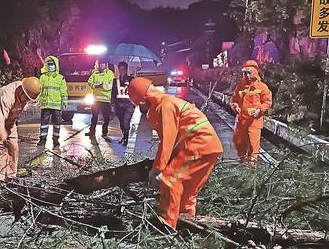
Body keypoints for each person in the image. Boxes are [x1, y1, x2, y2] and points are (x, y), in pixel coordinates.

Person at [127, 77, 223, 229]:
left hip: (197, 145)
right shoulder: (167, 103)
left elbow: (167, 141)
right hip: (207, 146)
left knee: (170, 181)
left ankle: (166, 228)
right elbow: (173, 142)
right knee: (187, 192)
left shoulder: (165, 106)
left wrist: (157, 169)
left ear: (141, 101)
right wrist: (163, 164)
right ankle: (187, 227)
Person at [0, 77, 42, 181]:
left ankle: (11, 176)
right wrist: (3, 137)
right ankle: (1, 179)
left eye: (29, 99)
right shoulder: (7, 96)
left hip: (9, 119)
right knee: (1, 149)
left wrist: (9, 132)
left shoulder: (26, 94)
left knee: (14, 147)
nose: (27, 101)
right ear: (21, 91)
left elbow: (15, 113)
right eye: (27, 98)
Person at [230, 60, 272, 167]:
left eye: (249, 73)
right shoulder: (240, 86)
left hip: (254, 121)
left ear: (254, 72)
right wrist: (236, 106)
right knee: (239, 142)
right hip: (241, 121)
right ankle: (243, 163)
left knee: (253, 145)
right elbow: (234, 100)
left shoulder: (262, 87)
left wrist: (260, 110)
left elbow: (267, 102)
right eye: (245, 73)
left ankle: (252, 167)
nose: (247, 75)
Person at [38, 55, 68, 148]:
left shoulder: (60, 78)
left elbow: (63, 91)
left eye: (52, 64)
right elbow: (39, 90)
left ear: (56, 66)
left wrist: (64, 102)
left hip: (56, 106)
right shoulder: (42, 77)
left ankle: (56, 141)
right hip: (45, 105)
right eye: (49, 64)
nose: (51, 66)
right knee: (44, 124)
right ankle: (42, 140)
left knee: (57, 125)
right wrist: (38, 99)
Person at [86, 59, 114, 141]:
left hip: (106, 100)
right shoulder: (95, 73)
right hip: (96, 99)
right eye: (100, 64)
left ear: (106, 64)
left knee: (106, 117)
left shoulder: (110, 74)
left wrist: (102, 86)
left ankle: (104, 133)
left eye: (103, 64)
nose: (101, 65)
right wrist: (95, 85)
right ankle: (91, 132)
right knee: (94, 116)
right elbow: (90, 82)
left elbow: (111, 85)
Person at [113, 61, 135, 146]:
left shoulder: (131, 79)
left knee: (126, 121)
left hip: (129, 104)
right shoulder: (115, 80)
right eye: (120, 69)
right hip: (119, 104)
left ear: (126, 70)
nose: (122, 71)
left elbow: (135, 91)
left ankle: (126, 139)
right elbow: (113, 94)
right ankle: (123, 135)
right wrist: (113, 105)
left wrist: (134, 103)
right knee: (121, 122)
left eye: (123, 69)